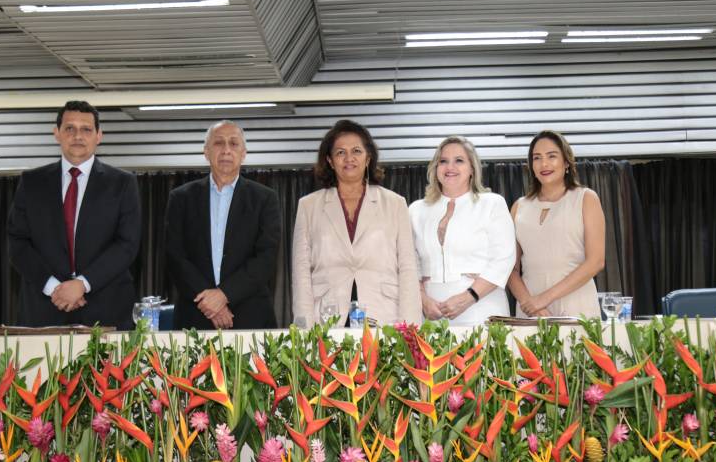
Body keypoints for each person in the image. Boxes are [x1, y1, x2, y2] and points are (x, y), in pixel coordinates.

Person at [7, 100, 141, 328]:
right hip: (44, 308)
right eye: (70, 128)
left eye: (86, 129)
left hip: (107, 310)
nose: (78, 136)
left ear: (99, 136)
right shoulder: (31, 183)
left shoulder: (123, 183)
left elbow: (127, 244)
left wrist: (82, 284)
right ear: (56, 133)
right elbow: (17, 243)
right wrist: (54, 288)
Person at [292, 119, 422, 327]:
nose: (349, 158)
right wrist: (304, 329)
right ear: (330, 160)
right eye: (340, 152)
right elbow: (301, 274)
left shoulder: (395, 203)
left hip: (383, 316)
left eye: (356, 151)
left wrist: (410, 327)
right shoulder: (308, 206)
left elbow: (408, 268)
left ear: (368, 158)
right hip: (327, 318)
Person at [165, 120, 281, 330]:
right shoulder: (181, 198)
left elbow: (266, 257)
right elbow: (175, 256)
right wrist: (211, 304)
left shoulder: (265, 199)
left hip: (250, 316)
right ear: (206, 152)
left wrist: (224, 295)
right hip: (195, 315)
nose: (226, 150)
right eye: (218, 143)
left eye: (233, 143)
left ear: (243, 153)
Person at [409, 137, 515, 326]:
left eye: (459, 160)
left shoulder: (492, 204)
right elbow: (409, 262)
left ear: (472, 168)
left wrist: (468, 297)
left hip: (481, 307)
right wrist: (422, 299)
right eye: (443, 161)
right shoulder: (416, 210)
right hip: (431, 313)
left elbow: (503, 259)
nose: (450, 167)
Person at [508, 130, 605, 319]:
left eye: (551, 156)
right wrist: (531, 304)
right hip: (530, 310)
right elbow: (510, 268)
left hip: (577, 305)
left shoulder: (586, 198)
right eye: (537, 158)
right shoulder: (519, 207)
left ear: (566, 162)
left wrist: (543, 299)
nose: (544, 164)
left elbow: (596, 261)